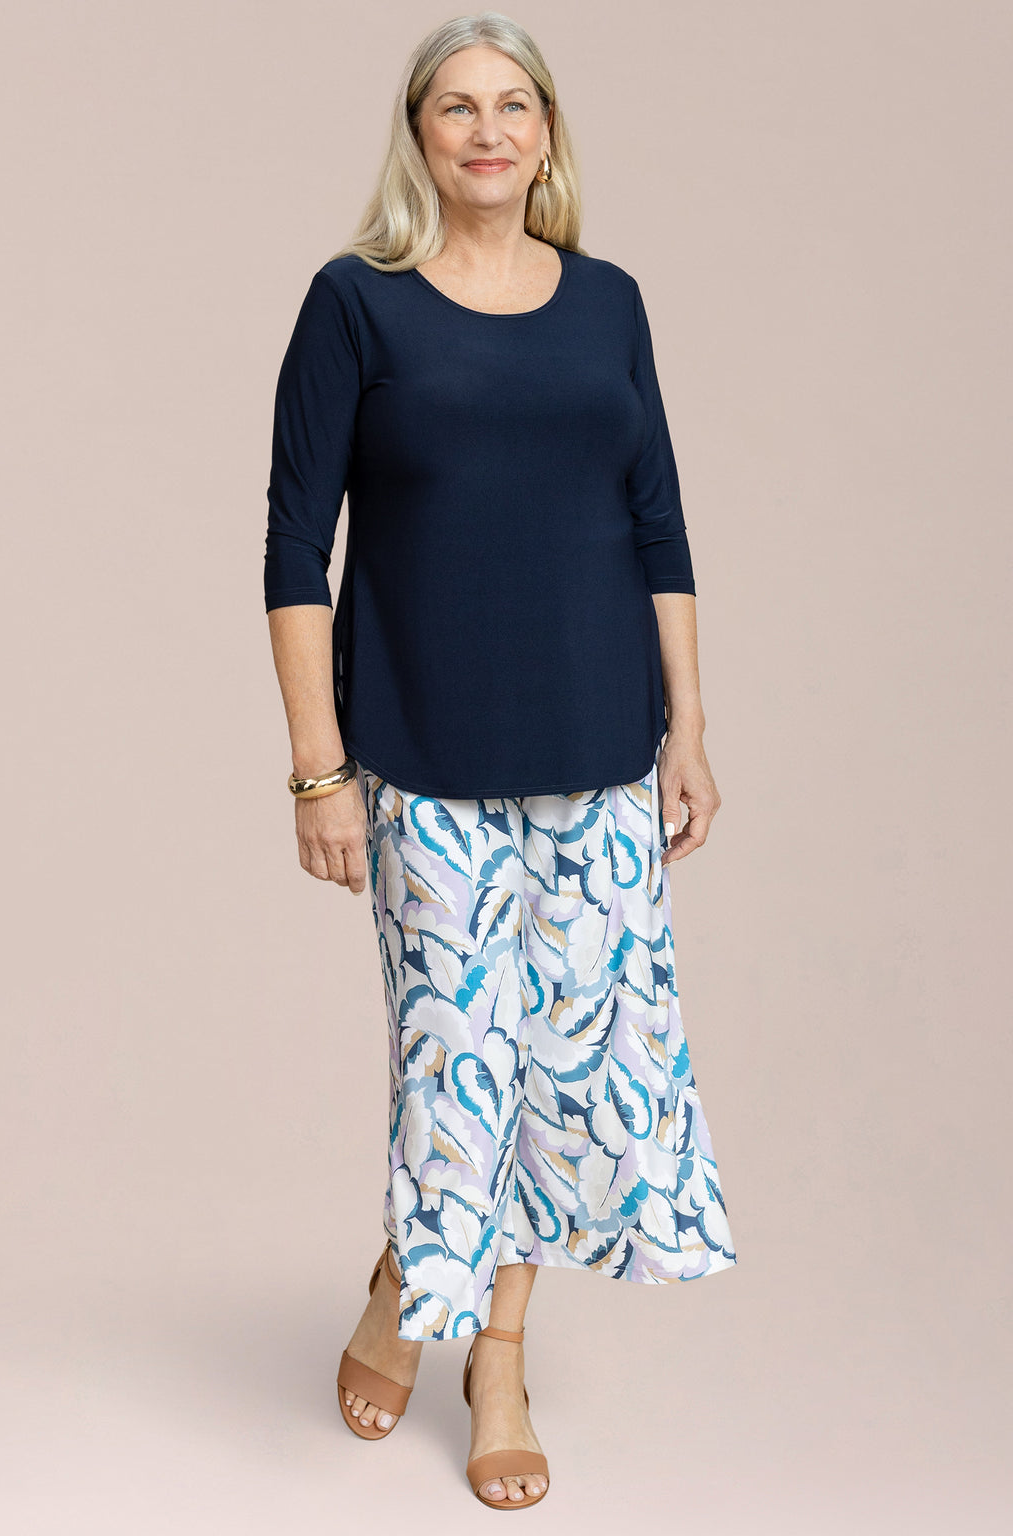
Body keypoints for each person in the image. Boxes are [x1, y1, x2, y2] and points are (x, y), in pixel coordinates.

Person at [263, 11, 737, 1510]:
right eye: (457, 106)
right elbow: (294, 548)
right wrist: (319, 767)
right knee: (458, 1062)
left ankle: (498, 1356)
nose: (487, 129)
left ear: (546, 135)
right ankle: (410, 1284)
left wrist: (690, 730)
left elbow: (659, 522)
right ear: (419, 135)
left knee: (563, 1065)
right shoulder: (356, 304)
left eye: (513, 104)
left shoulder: (609, 305)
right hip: (422, 748)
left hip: (601, 747)